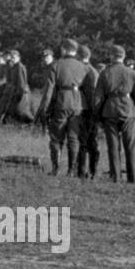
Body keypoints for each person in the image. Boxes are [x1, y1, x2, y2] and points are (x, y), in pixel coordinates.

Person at [35, 39, 88, 176]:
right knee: (73, 139)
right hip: (78, 104)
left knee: (56, 137)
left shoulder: (57, 64)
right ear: (75, 51)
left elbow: (49, 90)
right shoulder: (83, 66)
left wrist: (44, 108)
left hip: (62, 102)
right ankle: (71, 170)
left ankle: (56, 169)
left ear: (64, 49)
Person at [95, 45, 135, 182]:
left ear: (111, 56)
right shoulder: (133, 74)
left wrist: (97, 116)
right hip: (128, 111)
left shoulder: (105, 73)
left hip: (110, 111)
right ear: (123, 56)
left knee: (113, 147)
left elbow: (98, 97)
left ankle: (115, 177)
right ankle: (134, 179)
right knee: (130, 147)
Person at [77, 44, 101, 178]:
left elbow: (92, 94)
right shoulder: (92, 70)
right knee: (89, 142)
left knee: (86, 142)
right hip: (90, 110)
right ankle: (90, 171)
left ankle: (85, 171)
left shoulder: (86, 70)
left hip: (87, 111)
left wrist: (93, 113)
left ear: (79, 55)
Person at [0, 49, 34, 125]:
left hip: (22, 93)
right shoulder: (14, 67)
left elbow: (21, 82)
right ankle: (5, 124)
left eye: (14, 57)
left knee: (22, 111)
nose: (12, 59)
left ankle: (33, 124)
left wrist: (19, 94)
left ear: (19, 57)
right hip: (16, 91)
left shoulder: (19, 67)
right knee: (12, 110)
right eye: (11, 57)